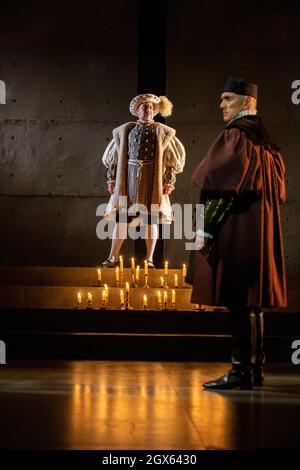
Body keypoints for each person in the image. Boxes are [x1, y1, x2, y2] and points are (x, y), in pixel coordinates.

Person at [189, 77, 287, 389]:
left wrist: (206, 229)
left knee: (238, 300)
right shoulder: (266, 144)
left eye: (228, 98)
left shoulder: (236, 137)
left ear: (246, 103)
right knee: (251, 302)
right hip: (258, 233)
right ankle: (254, 370)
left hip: (238, 232)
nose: (221, 105)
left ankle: (241, 371)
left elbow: (221, 189)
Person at [101, 93, 185, 267]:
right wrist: (112, 179)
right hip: (128, 177)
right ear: (137, 110)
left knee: (150, 217)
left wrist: (169, 180)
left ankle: (150, 259)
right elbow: (115, 156)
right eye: (145, 107)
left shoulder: (162, 131)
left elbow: (171, 159)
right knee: (122, 217)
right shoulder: (126, 130)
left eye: (152, 107)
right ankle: (112, 257)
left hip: (152, 177)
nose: (149, 110)